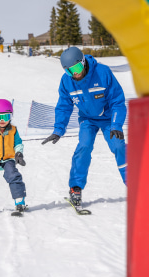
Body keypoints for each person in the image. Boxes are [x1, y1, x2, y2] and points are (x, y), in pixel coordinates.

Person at [42, 47, 127, 207]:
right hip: (88, 119)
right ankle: (75, 188)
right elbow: (63, 106)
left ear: (83, 62)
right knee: (84, 147)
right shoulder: (67, 82)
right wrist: (58, 130)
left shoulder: (102, 72)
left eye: (77, 68)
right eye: (70, 71)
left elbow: (117, 100)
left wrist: (116, 124)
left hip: (108, 118)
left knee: (118, 146)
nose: (75, 74)